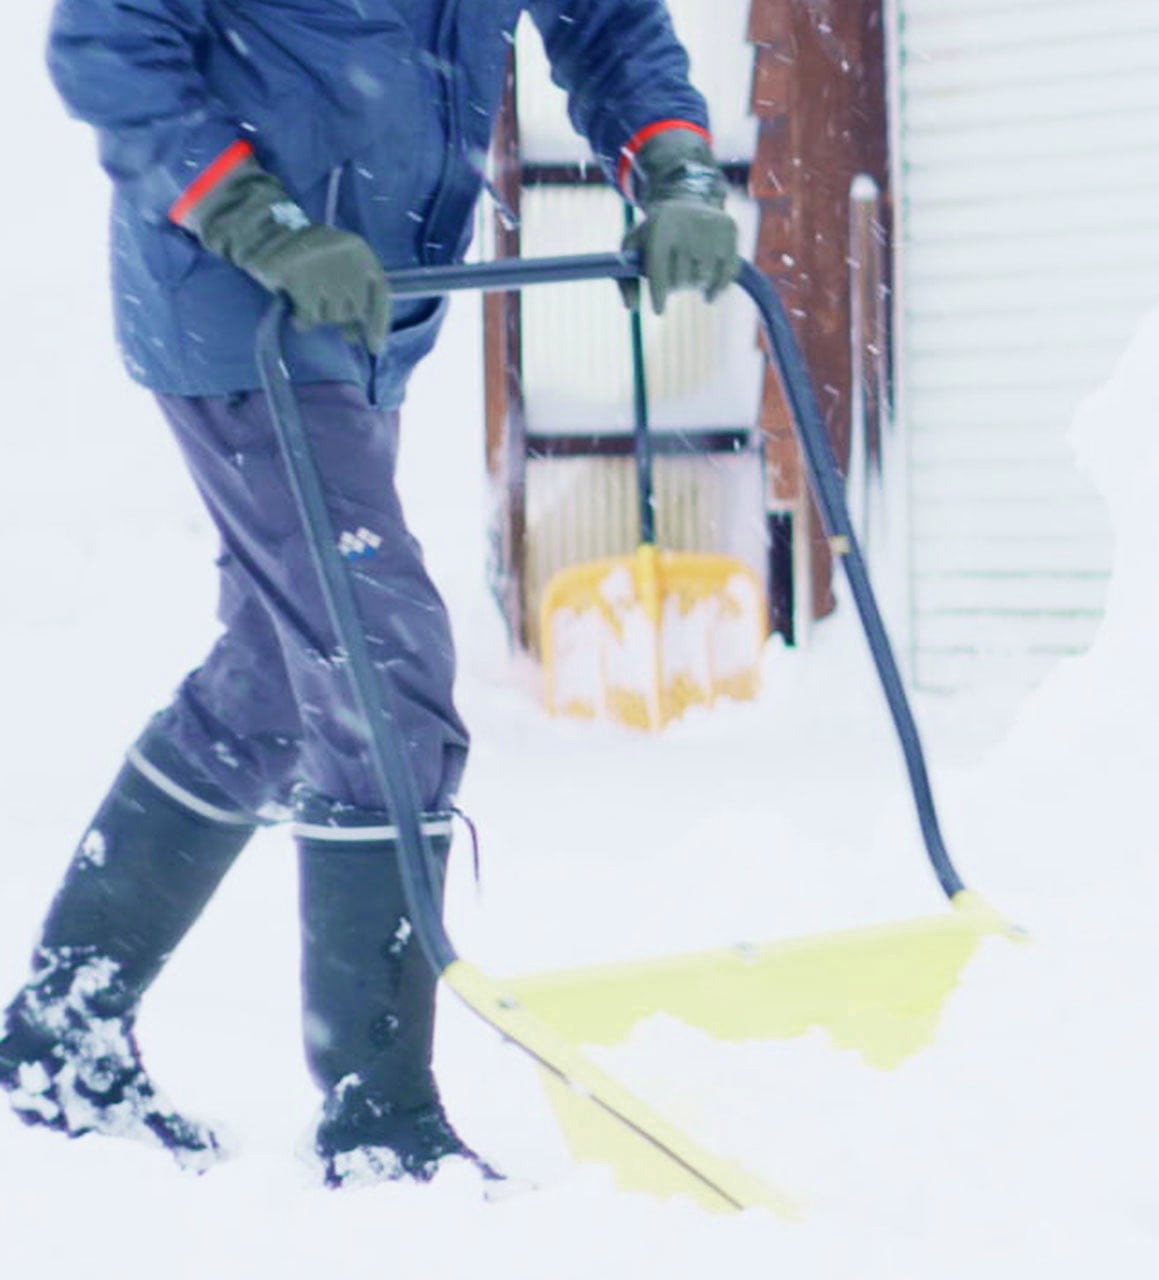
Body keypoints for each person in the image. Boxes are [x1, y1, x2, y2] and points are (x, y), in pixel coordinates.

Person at [0, 0, 738, 1188]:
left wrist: (673, 163)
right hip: (232, 296)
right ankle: (378, 1115)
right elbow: (109, 44)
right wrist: (260, 220)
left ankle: (60, 1036)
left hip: (367, 299)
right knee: (378, 666)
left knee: (272, 688)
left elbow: (605, 24)